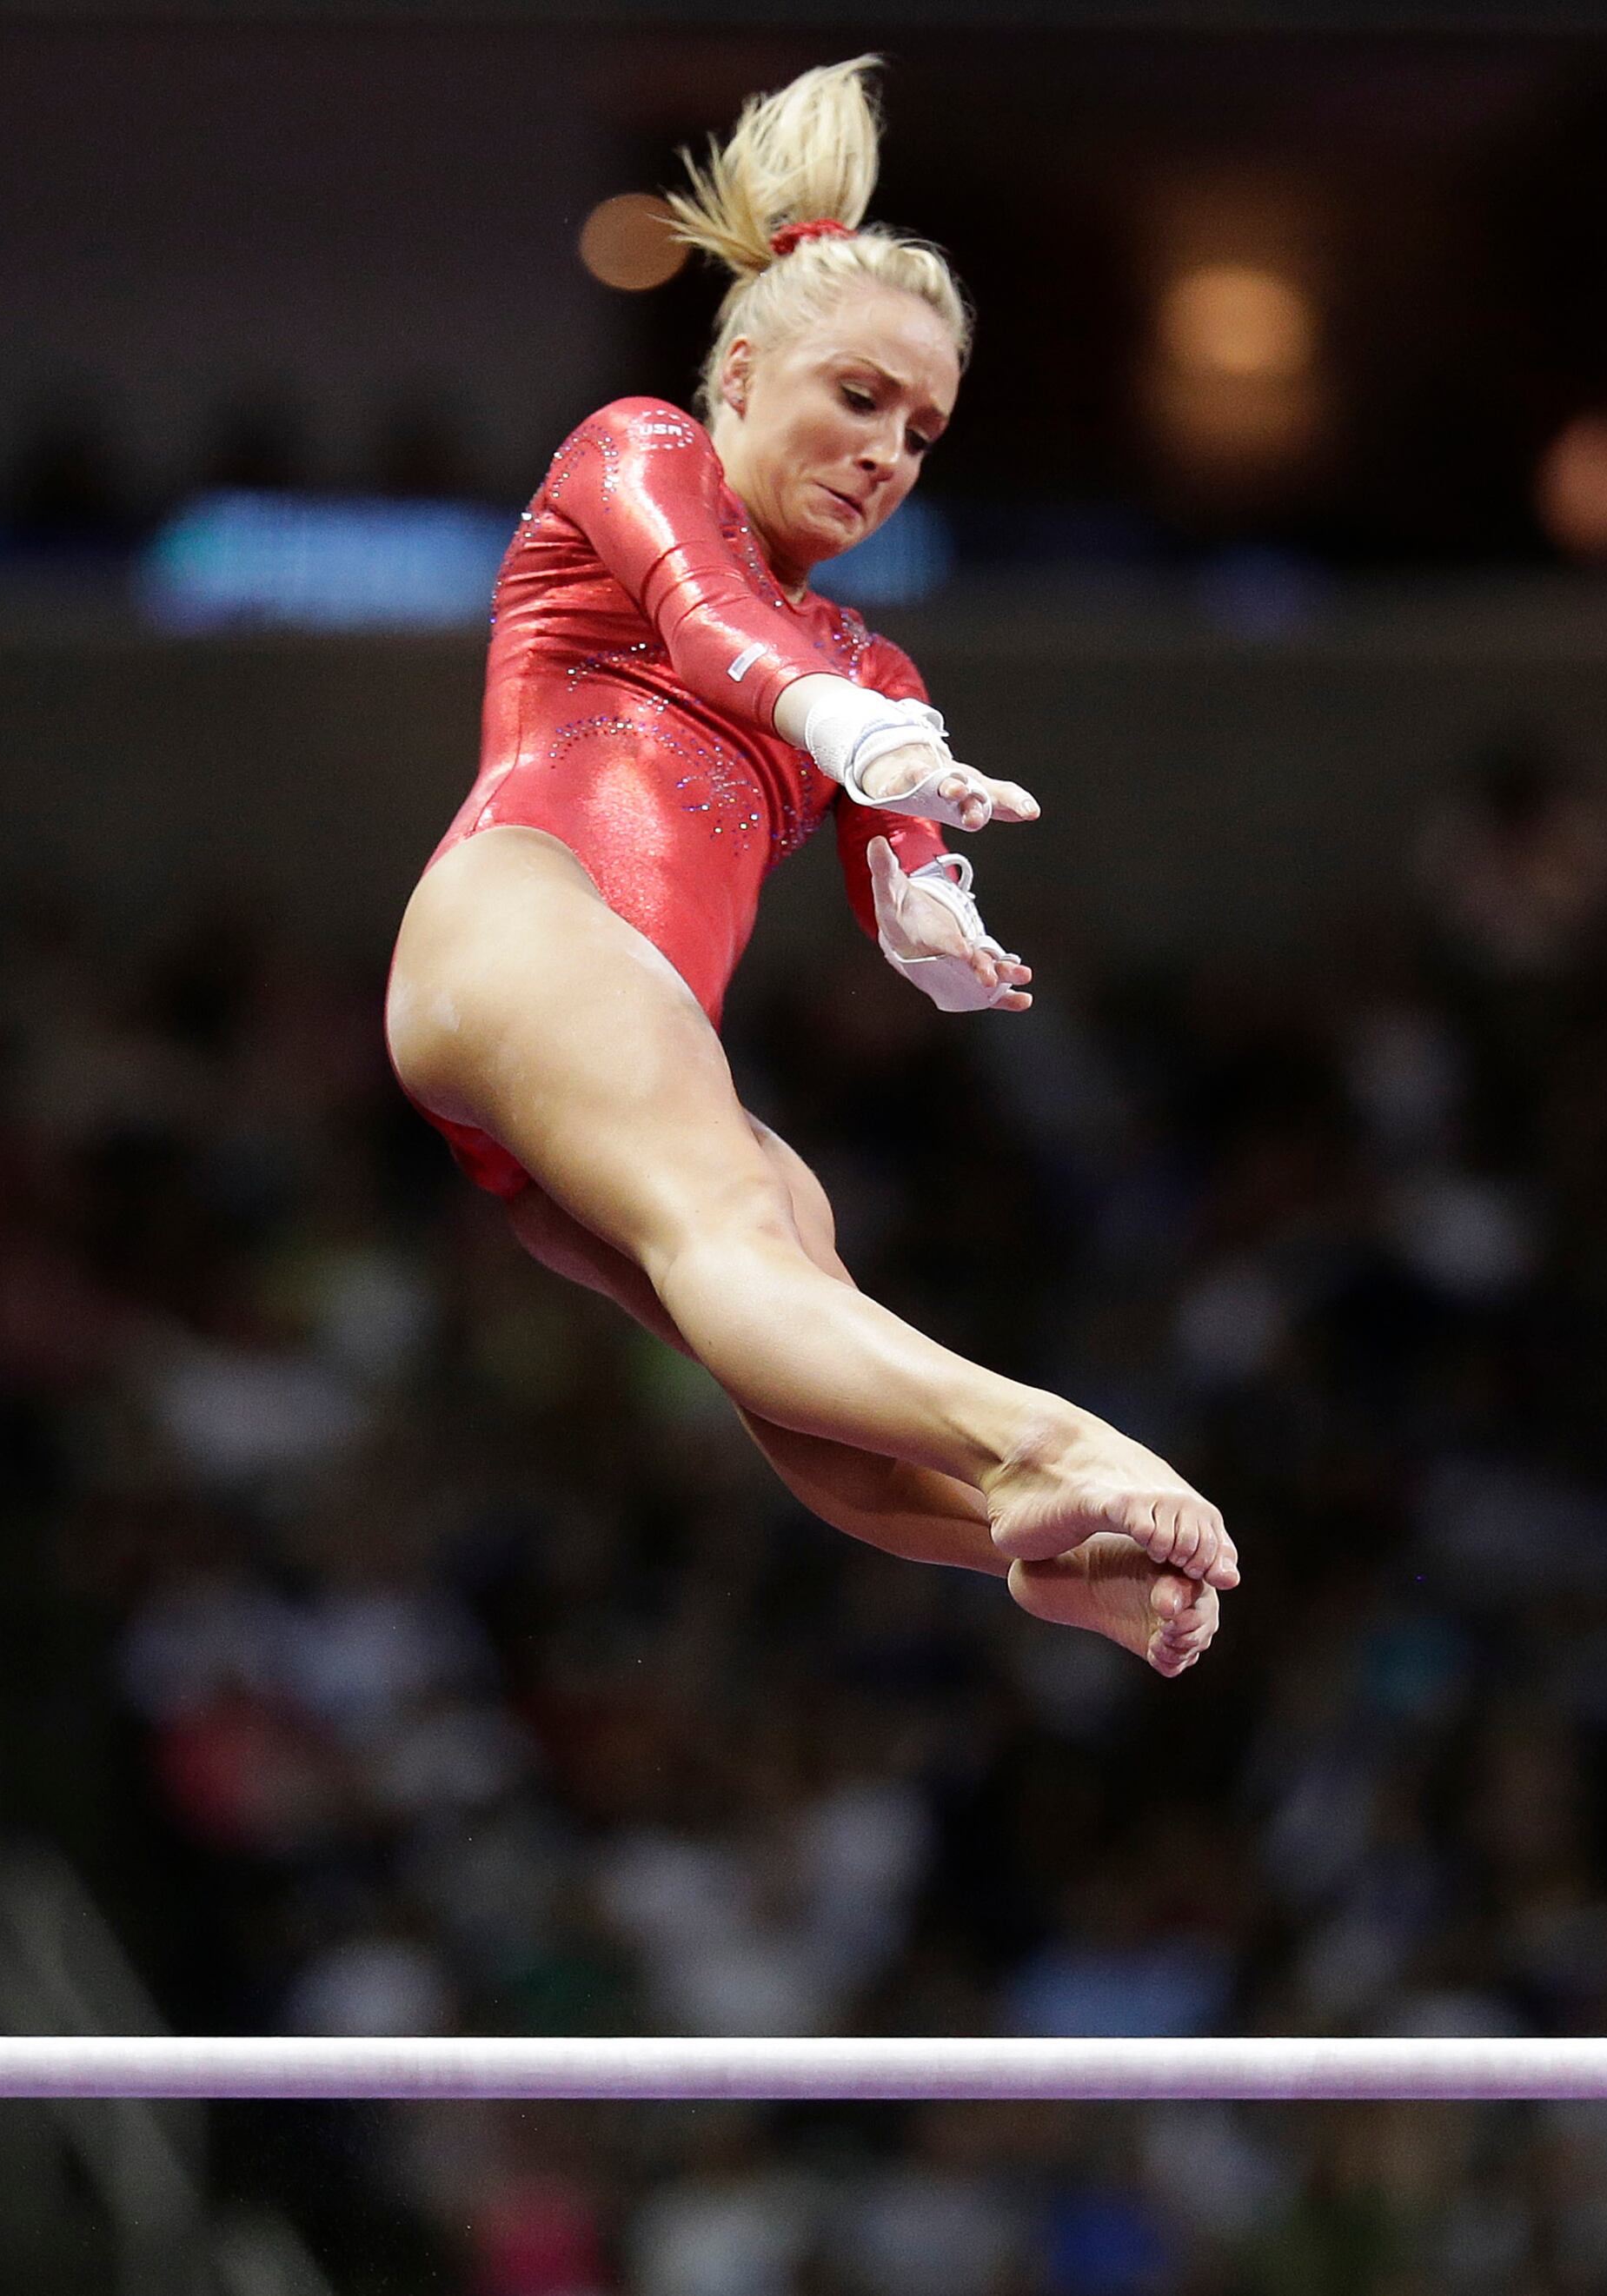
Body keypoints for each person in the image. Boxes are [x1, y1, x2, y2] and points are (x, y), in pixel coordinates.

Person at [384, 58, 1234, 1677]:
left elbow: (902, 861)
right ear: (746, 366)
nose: (886, 454)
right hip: (527, 912)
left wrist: (934, 911)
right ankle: (1049, 1435)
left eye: (922, 432)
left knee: (789, 1301)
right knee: (734, 1233)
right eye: (858, 398)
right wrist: (853, 737)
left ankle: (1035, 1543)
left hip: (603, 1023)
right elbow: (712, 623)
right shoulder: (634, 455)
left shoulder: (875, 664)